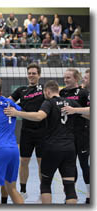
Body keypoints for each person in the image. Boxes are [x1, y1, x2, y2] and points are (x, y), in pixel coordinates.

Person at [4, 80, 79, 204]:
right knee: (70, 187)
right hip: (70, 148)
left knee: (45, 184)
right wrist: (77, 110)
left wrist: (17, 113)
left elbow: (39, 116)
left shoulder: (48, 102)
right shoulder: (70, 102)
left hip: (52, 148)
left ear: (47, 91)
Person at [9, 63, 46, 202]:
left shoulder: (44, 88)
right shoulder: (21, 90)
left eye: (34, 73)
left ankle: (44, 191)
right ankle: (23, 191)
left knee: (41, 162)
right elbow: (7, 102)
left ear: (39, 75)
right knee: (24, 161)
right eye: (29, 73)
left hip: (43, 131)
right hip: (26, 131)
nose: (31, 75)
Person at [59, 68, 90, 204]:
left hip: (82, 133)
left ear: (76, 78)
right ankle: (71, 195)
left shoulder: (84, 93)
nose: (65, 80)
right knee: (69, 165)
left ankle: (90, 194)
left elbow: (90, 112)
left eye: (68, 78)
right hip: (67, 134)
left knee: (84, 164)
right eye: (64, 77)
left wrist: (74, 111)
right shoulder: (62, 93)